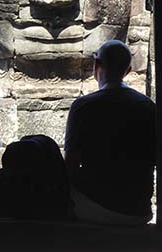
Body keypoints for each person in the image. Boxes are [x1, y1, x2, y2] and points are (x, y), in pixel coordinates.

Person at [65, 40, 156, 225]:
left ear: (96, 65)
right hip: (137, 209)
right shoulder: (147, 106)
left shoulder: (84, 106)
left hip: (94, 205)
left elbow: (70, 165)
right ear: (128, 71)